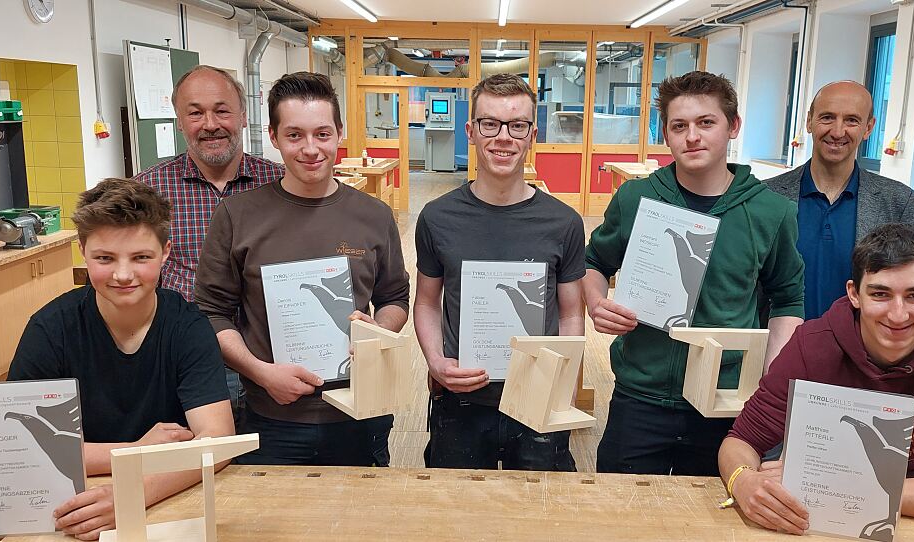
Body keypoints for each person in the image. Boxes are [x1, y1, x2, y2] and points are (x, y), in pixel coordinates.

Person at [718, 223, 914, 533]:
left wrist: (835, 486)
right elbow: (741, 441)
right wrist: (743, 481)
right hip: (821, 512)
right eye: (880, 294)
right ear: (854, 294)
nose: (898, 315)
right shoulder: (812, 344)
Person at [583, 71, 805, 476]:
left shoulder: (771, 211)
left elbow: (788, 296)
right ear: (665, 133)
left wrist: (769, 372)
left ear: (732, 126)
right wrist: (597, 302)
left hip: (722, 400)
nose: (692, 137)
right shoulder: (637, 197)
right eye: (679, 126)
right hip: (640, 393)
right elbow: (594, 262)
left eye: (707, 123)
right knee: (620, 512)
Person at [195, 72, 409, 466]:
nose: (311, 149)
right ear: (274, 137)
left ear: (339, 133)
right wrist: (260, 372)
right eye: (295, 135)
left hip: (359, 410)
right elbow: (211, 312)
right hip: (271, 416)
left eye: (322, 134)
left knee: (361, 523)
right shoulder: (238, 215)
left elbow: (395, 298)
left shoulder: (373, 215)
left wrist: (378, 332)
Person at [8, 179, 234, 541]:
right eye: (105, 258)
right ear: (82, 251)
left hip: (165, 493)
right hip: (74, 497)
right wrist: (134, 450)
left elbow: (218, 438)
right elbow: (22, 448)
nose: (123, 274)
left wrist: (133, 492)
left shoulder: (188, 327)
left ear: (166, 252)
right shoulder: (50, 330)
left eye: (141, 257)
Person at [414, 73, 586, 470]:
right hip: (461, 398)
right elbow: (426, 303)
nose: (503, 137)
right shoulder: (438, 217)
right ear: (471, 131)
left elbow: (571, 313)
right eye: (490, 124)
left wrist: (565, 380)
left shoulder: (563, 222)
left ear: (532, 134)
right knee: (456, 515)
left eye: (517, 125)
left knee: (539, 515)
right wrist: (435, 361)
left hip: (537, 396)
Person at [135, 65, 286, 418]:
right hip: (185, 363)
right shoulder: (149, 192)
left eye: (221, 110)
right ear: (179, 121)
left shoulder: (280, 184)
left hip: (271, 362)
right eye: (195, 113)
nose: (210, 124)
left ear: (243, 116)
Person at [765, 81, 914, 319]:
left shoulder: (898, 202)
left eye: (851, 120)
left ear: (868, 127)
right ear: (809, 121)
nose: (838, 132)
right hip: (779, 347)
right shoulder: (767, 196)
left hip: (862, 351)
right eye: (827, 117)